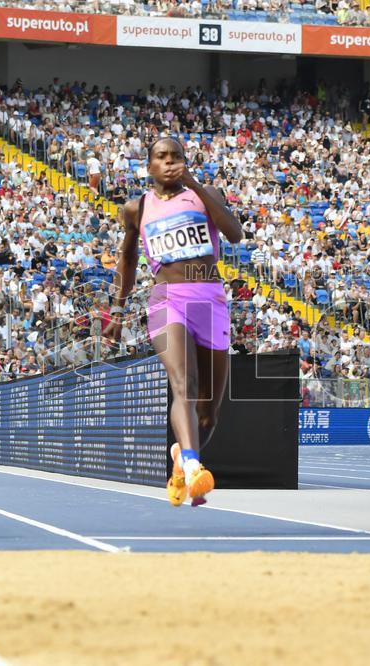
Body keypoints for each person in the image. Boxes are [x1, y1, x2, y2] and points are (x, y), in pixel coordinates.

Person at [104, 137, 243, 507]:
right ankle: (195, 467)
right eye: (161, 157)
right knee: (185, 384)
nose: (169, 163)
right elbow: (128, 262)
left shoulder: (204, 194)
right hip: (167, 300)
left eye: (176, 156)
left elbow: (234, 233)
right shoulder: (137, 209)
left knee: (209, 412)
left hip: (210, 301)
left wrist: (197, 185)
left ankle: (180, 459)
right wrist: (117, 310)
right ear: (149, 167)